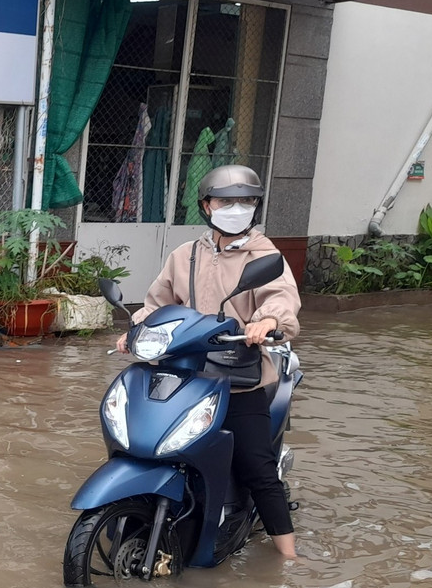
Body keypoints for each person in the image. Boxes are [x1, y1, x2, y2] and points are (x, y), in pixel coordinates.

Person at [117, 164, 302, 559]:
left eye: (245, 201)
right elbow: (158, 304)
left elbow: (281, 297)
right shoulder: (185, 255)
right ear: (206, 206)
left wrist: (268, 320)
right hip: (184, 371)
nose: (236, 208)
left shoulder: (266, 255)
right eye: (225, 201)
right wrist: (135, 330)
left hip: (238, 376)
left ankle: (289, 558)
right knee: (143, 442)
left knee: (258, 468)